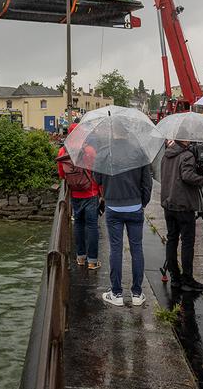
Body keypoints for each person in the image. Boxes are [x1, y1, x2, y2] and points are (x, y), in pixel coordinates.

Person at [94, 157, 152, 308]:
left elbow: (97, 179)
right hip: (134, 206)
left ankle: (116, 293)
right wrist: (142, 203)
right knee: (137, 249)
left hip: (113, 206)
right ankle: (137, 294)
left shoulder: (106, 153)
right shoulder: (139, 153)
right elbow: (147, 183)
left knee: (116, 249)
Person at [160, 140, 203, 292]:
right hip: (183, 204)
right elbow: (187, 176)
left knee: (171, 239)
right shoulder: (187, 155)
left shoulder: (166, 154)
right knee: (187, 242)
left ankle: (174, 277)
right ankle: (187, 278)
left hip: (168, 202)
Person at [57, 123, 101, 270]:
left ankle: (81, 257)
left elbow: (62, 175)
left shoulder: (63, 151)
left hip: (75, 193)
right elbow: (97, 171)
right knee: (92, 226)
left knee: (79, 224)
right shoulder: (89, 150)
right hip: (91, 192)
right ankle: (92, 261)